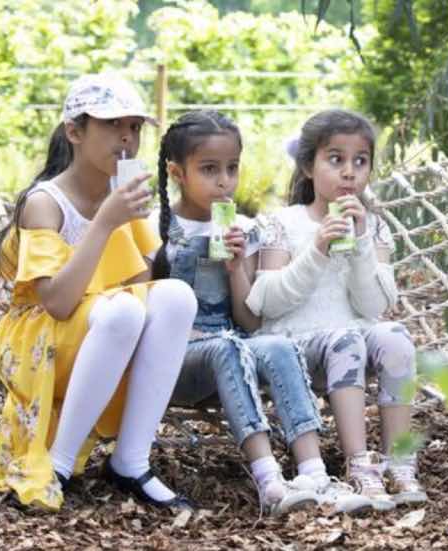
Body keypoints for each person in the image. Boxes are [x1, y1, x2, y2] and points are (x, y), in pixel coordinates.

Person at [0, 74, 196, 511]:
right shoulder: (46, 203)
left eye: (134, 127)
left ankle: (131, 460)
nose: (127, 139)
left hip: (99, 331)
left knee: (175, 296)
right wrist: (105, 223)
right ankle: (57, 464)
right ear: (75, 132)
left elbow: (138, 289)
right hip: (40, 340)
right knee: (121, 314)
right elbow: (57, 303)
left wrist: (143, 227)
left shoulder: (121, 194)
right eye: (113, 126)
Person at [152, 110, 371, 516]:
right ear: (177, 172)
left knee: (276, 345)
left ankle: (314, 472)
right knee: (227, 349)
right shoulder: (155, 228)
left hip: (234, 347)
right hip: (176, 360)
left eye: (232, 168)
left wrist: (236, 270)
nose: (224, 181)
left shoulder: (245, 228)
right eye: (210, 169)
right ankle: (269, 480)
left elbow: (250, 321)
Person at [246, 109, 427, 509]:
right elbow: (267, 303)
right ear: (309, 166)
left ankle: (399, 461)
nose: (349, 172)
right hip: (294, 346)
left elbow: (374, 305)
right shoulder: (282, 223)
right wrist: (318, 250)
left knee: (395, 336)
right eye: (336, 159)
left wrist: (361, 242)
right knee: (346, 339)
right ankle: (358, 465)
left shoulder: (374, 226)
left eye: (360, 161)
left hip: (353, 340)